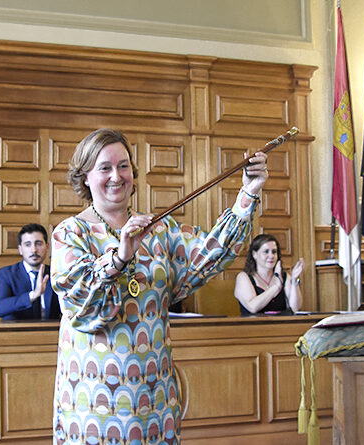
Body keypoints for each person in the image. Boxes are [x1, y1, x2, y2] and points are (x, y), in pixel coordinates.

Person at [50, 128, 269, 444]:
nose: (117, 176)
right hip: (94, 402)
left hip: (155, 395)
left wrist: (248, 192)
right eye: (105, 167)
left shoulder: (158, 229)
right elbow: (86, 313)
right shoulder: (70, 234)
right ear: (84, 176)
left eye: (123, 166)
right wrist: (121, 256)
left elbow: (210, 254)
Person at [0, 223, 61, 320]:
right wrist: (33, 295)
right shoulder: (6, 274)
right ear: (20, 249)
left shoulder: (56, 273)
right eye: (27, 245)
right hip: (17, 333)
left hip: (51, 332)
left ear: (47, 247)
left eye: (38, 244)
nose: (34, 250)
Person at [233, 233, 303, 315]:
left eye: (274, 252)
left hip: (281, 326)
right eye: (266, 251)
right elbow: (252, 307)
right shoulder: (243, 277)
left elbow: (295, 308)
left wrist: (294, 280)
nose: (271, 255)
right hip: (253, 326)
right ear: (254, 254)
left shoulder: (285, 276)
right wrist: (276, 287)